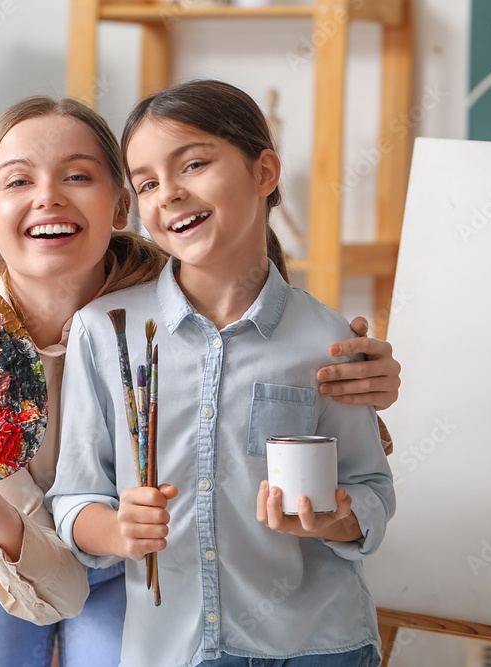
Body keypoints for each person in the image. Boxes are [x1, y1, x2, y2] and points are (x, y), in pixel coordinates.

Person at [0, 94, 399, 666]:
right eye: (18, 181)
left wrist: (367, 383)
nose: (48, 196)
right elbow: (58, 577)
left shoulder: (174, 302)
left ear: (120, 206)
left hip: (135, 568)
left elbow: (291, 410)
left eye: (77, 175)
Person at [46, 80, 395, 667]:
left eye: (195, 164)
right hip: (171, 652)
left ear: (264, 173)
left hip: (320, 646)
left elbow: (374, 492)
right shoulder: (103, 331)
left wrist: (337, 519)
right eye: (148, 183)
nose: (170, 193)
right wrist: (116, 530)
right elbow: (74, 498)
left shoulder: (329, 339)